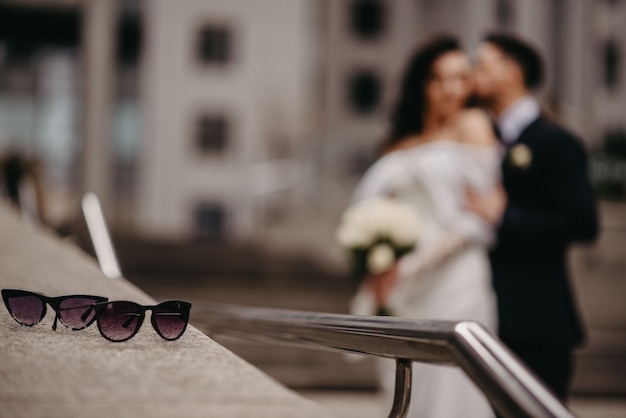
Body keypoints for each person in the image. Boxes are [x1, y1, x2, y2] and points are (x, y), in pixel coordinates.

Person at [348, 35, 501, 418]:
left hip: (455, 277)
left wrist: (416, 264)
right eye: (440, 78)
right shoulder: (398, 142)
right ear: (422, 84)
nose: (452, 88)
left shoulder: (474, 125)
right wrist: (377, 257)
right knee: (406, 384)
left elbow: (480, 218)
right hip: (403, 287)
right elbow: (370, 205)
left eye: (461, 77)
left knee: (452, 386)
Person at [470, 32, 599, 400]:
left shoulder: (555, 141)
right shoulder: (480, 136)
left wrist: (505, 217)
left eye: (483, 64)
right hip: (485, 315)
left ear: (512, 73)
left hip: (537, 323)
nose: (474, 73)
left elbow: (583, 222)